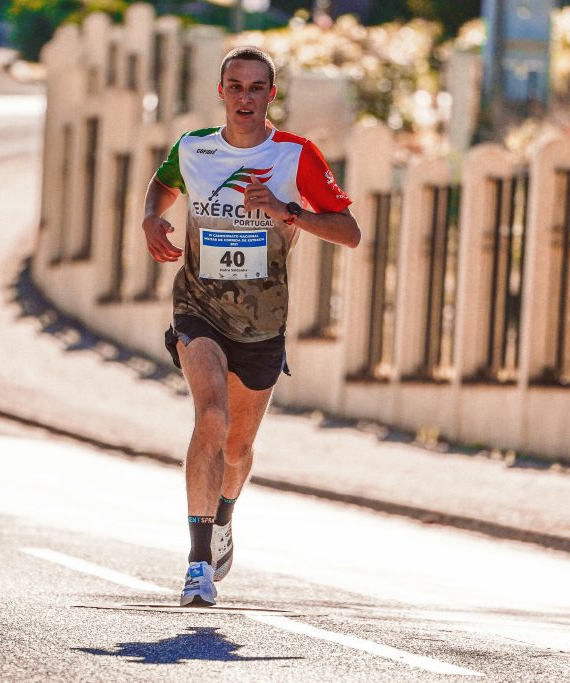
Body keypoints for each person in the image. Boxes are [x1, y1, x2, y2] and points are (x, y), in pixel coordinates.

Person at [140, 46, 361, 607]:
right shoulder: (194, 148)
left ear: (271, 95)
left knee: (237, 447)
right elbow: (162, 183)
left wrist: (289, 212)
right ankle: (196, 564)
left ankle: (223, 520)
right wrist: (150, 218)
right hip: (199, 308)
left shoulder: (295, 155)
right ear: (221, 91)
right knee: (210, 415)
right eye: (234, 86)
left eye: (255, 87)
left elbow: (349, 231)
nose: (244, 97)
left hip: (263, 322)